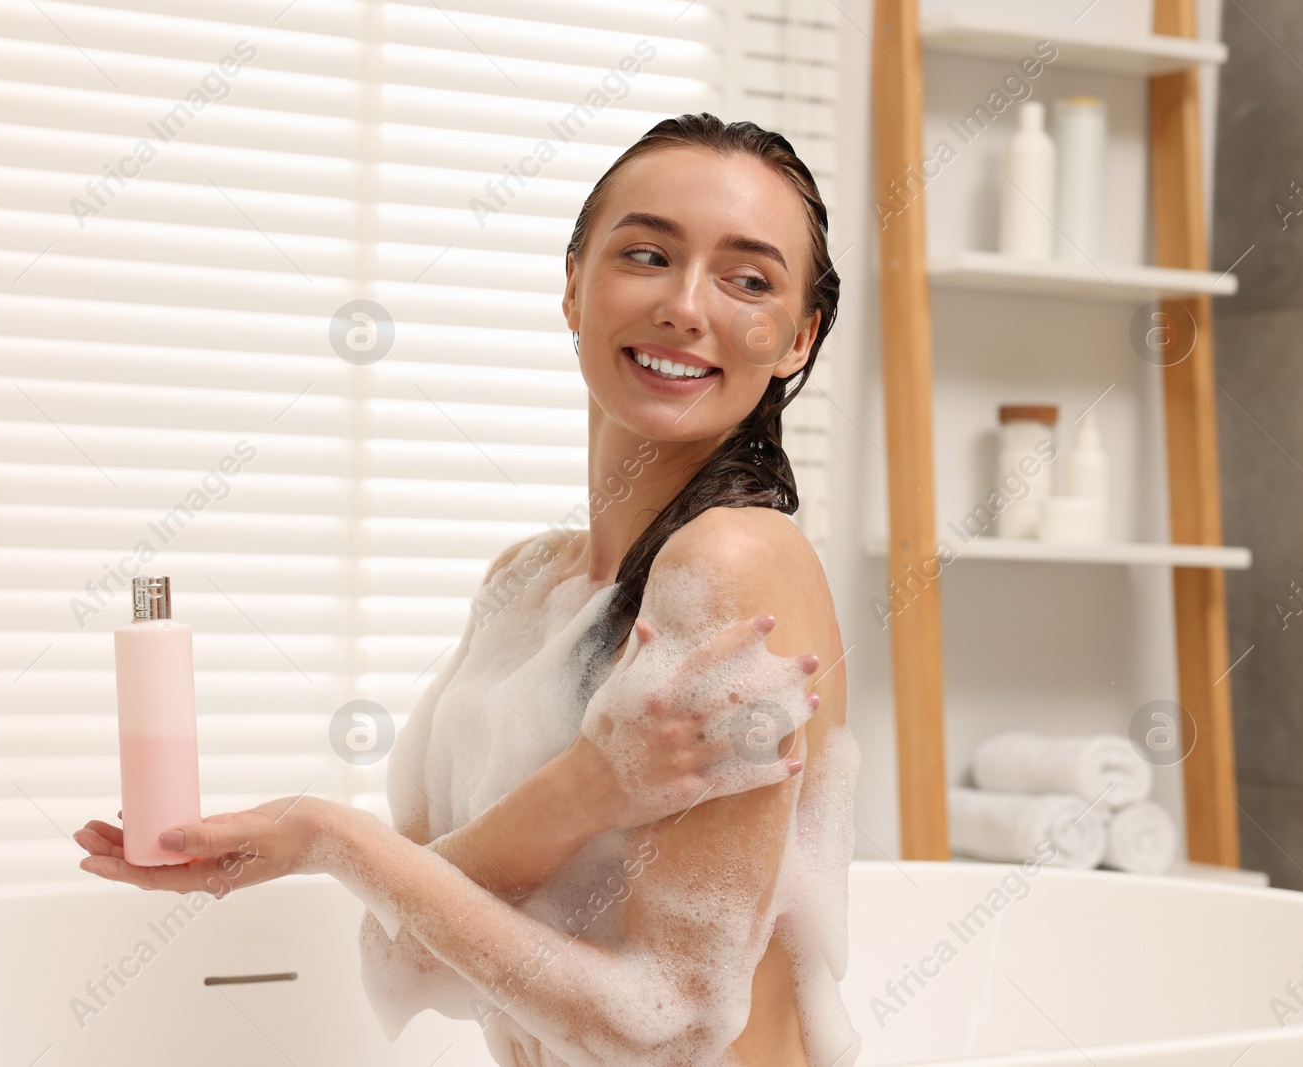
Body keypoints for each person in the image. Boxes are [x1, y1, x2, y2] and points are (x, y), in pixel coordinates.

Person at [77, 112, 858, 1067]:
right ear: (573, 286)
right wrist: (580, 791)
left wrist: (329, 834)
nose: (687, 308)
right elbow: (405, 953)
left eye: (748, 279)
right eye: (647, 253)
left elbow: (669, 1025)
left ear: (795, 338)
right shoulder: (529, 585)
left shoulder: (733, 563)